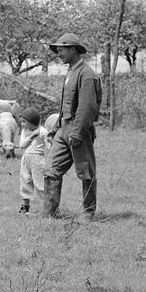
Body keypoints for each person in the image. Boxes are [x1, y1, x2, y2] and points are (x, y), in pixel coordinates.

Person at [42, 32, 102, 219]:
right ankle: (49, 213)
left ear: (73, 49)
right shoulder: (71, 71)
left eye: (61, 50)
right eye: (58, 50)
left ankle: (88, 214)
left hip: (79, 130)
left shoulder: (87, 74)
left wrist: (76, 132)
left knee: (86, 172)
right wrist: (56, 127)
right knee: (51, 168)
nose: (58, 54)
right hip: (64, 129)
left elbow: (87, 107)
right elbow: (66, 104)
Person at [17, 107, 49, 213]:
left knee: (39, 182)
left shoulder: (43, 131)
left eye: (24, 121)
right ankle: (25, 206)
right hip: (26, 157)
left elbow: (48, 146)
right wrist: (31, 137)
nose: (22, 124)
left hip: (38, 158)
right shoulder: (25, 131)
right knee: (25, 180)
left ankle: (46, 207)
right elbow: (22, 145)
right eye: (22, 121)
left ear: (32, 121)